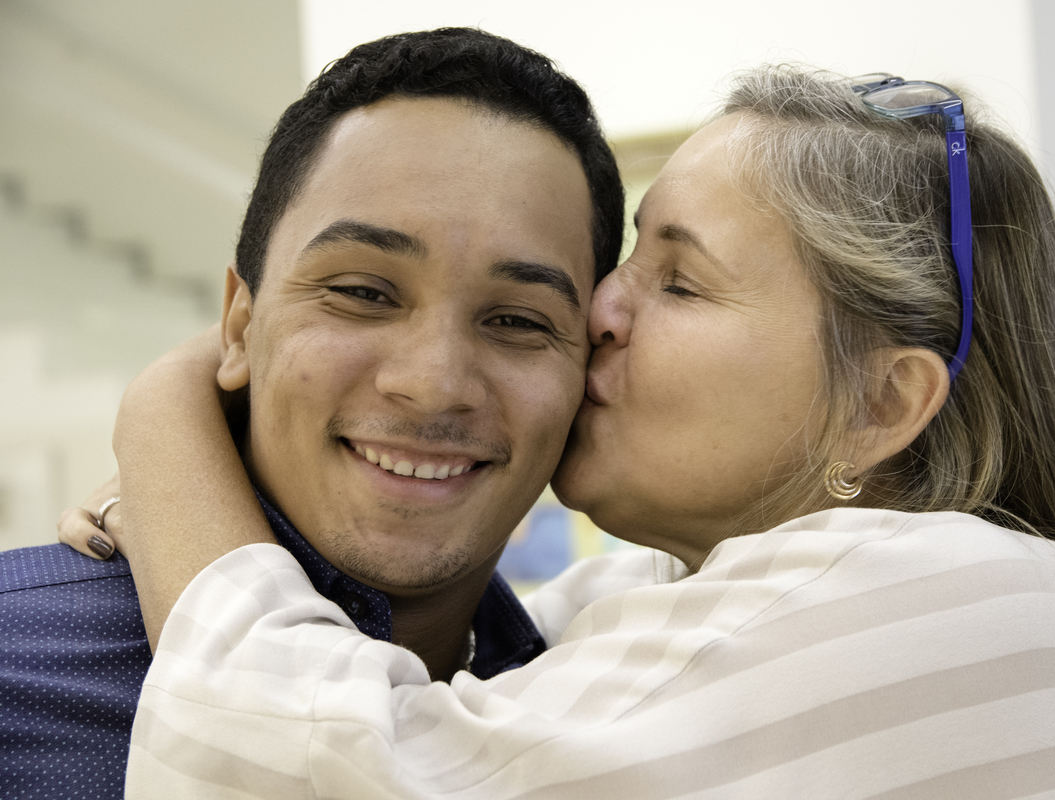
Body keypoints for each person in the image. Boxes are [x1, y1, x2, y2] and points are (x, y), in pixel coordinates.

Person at [64, 68, 1055, 798]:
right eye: (625, 260)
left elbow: (298, 759)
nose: (599, 309)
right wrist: (169, 508)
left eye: (680, 282)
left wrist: (170, 407)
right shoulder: (680, 609)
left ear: (880, 404)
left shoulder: (975, 594)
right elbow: (465, 638)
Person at [1, 27, 623, 799]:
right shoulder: (13, 672)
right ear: (237, 329)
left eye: (517, 321)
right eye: (363, 293)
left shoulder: (612, 710)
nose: (432, 384)